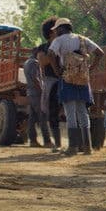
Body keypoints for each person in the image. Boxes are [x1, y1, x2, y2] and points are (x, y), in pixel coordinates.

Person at [49, 18, 103, 156]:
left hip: (67, 78)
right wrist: (91, 69)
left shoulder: (59, 40)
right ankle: (87, 147)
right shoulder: (82, 39)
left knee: (70, 113)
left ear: (61, 28)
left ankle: (73, 147)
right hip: (83, 79)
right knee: (82, 112)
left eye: (56, 30)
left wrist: (57, 71)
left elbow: (50, 54)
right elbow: (100, 53)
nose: (55, 32)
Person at [34, 17, 62, 153]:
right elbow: (42, 61)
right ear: (51, 32)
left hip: (66, 80)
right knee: (53, 112)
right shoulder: (43, 48)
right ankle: (58, 143)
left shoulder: (64, 44)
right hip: (51, 82)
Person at [23, 45, 52, 147]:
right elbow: (36, 78)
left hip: (30, 92)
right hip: (36, 93)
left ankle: (33, 141)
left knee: (32, 118)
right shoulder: (35, 63)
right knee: (42, 116)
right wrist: (42, 90)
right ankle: (47, 141)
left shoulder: (26, 62)